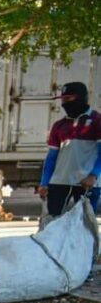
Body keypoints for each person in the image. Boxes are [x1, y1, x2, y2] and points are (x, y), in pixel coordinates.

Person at [38, 82, 101, 218]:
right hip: (59, 182)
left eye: (68, 99)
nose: (64, 103)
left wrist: (93, 175)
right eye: (63, 99)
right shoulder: (59, 125)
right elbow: (52, 157)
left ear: (81, 97)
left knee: (85, 224)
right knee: (53, 222)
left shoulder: (97, 121)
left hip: (87, 183)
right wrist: (44, 183)